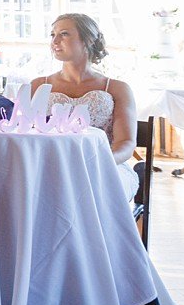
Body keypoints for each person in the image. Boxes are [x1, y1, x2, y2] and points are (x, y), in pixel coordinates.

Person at [32, 13, 139, 200]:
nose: (55, 41)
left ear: (87, 40)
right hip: (51, 168)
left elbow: (126, 143)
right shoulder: (38, 85)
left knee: (93, 190)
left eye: (64, 34)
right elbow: (25, 133)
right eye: (52, 35)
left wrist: (97, 163)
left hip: (106, 166)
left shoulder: (117, 88)